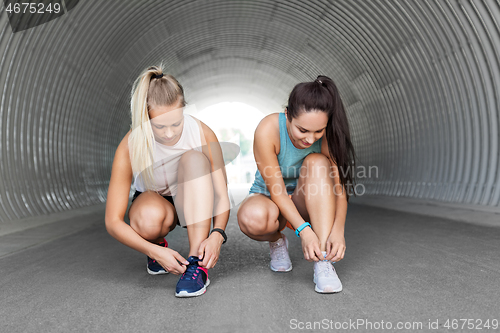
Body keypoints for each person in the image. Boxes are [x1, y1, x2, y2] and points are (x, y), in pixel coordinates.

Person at [105, 66, 230, 298]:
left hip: (193, 198)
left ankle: (196, 264)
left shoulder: (202, 133)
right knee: (147, 219)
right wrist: (152, 250)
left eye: (176, 123)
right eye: (160, 126)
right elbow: (113, 221)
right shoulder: (130, 143)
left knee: (194, 158)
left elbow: (222, 195)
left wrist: (217, 235)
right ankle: (159, 248)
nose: (170, 134)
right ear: (145, 117)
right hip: (156, 202)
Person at [237, 75, 356, 293]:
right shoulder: (268, 129)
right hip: (272, 198)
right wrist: (304, 231)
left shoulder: (328, 134)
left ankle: (322, 262)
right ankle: (277, 240)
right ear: (288, 115)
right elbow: (278, 191)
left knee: (318, 162)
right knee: (251, 218)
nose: (311, 140)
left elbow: (338, 189)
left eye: (318, 131)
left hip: (308, 199)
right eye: (303, 130)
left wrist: (338, 230)